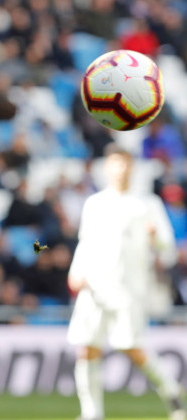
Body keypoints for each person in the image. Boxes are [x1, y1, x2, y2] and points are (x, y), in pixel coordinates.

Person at [67, 144, 185, 420]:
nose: (121, 168)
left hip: (129, 288)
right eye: (116, 162)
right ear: (107, 167)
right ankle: (91, 413)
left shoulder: (147, 204)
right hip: (94, 285)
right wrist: (76, 270)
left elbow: (168, 252)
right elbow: (85, 243)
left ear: (132, 167)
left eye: (126, 163)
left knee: (130, 345)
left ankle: (170, 388)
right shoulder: (94, 203)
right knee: (86, 346)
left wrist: (155, 237)